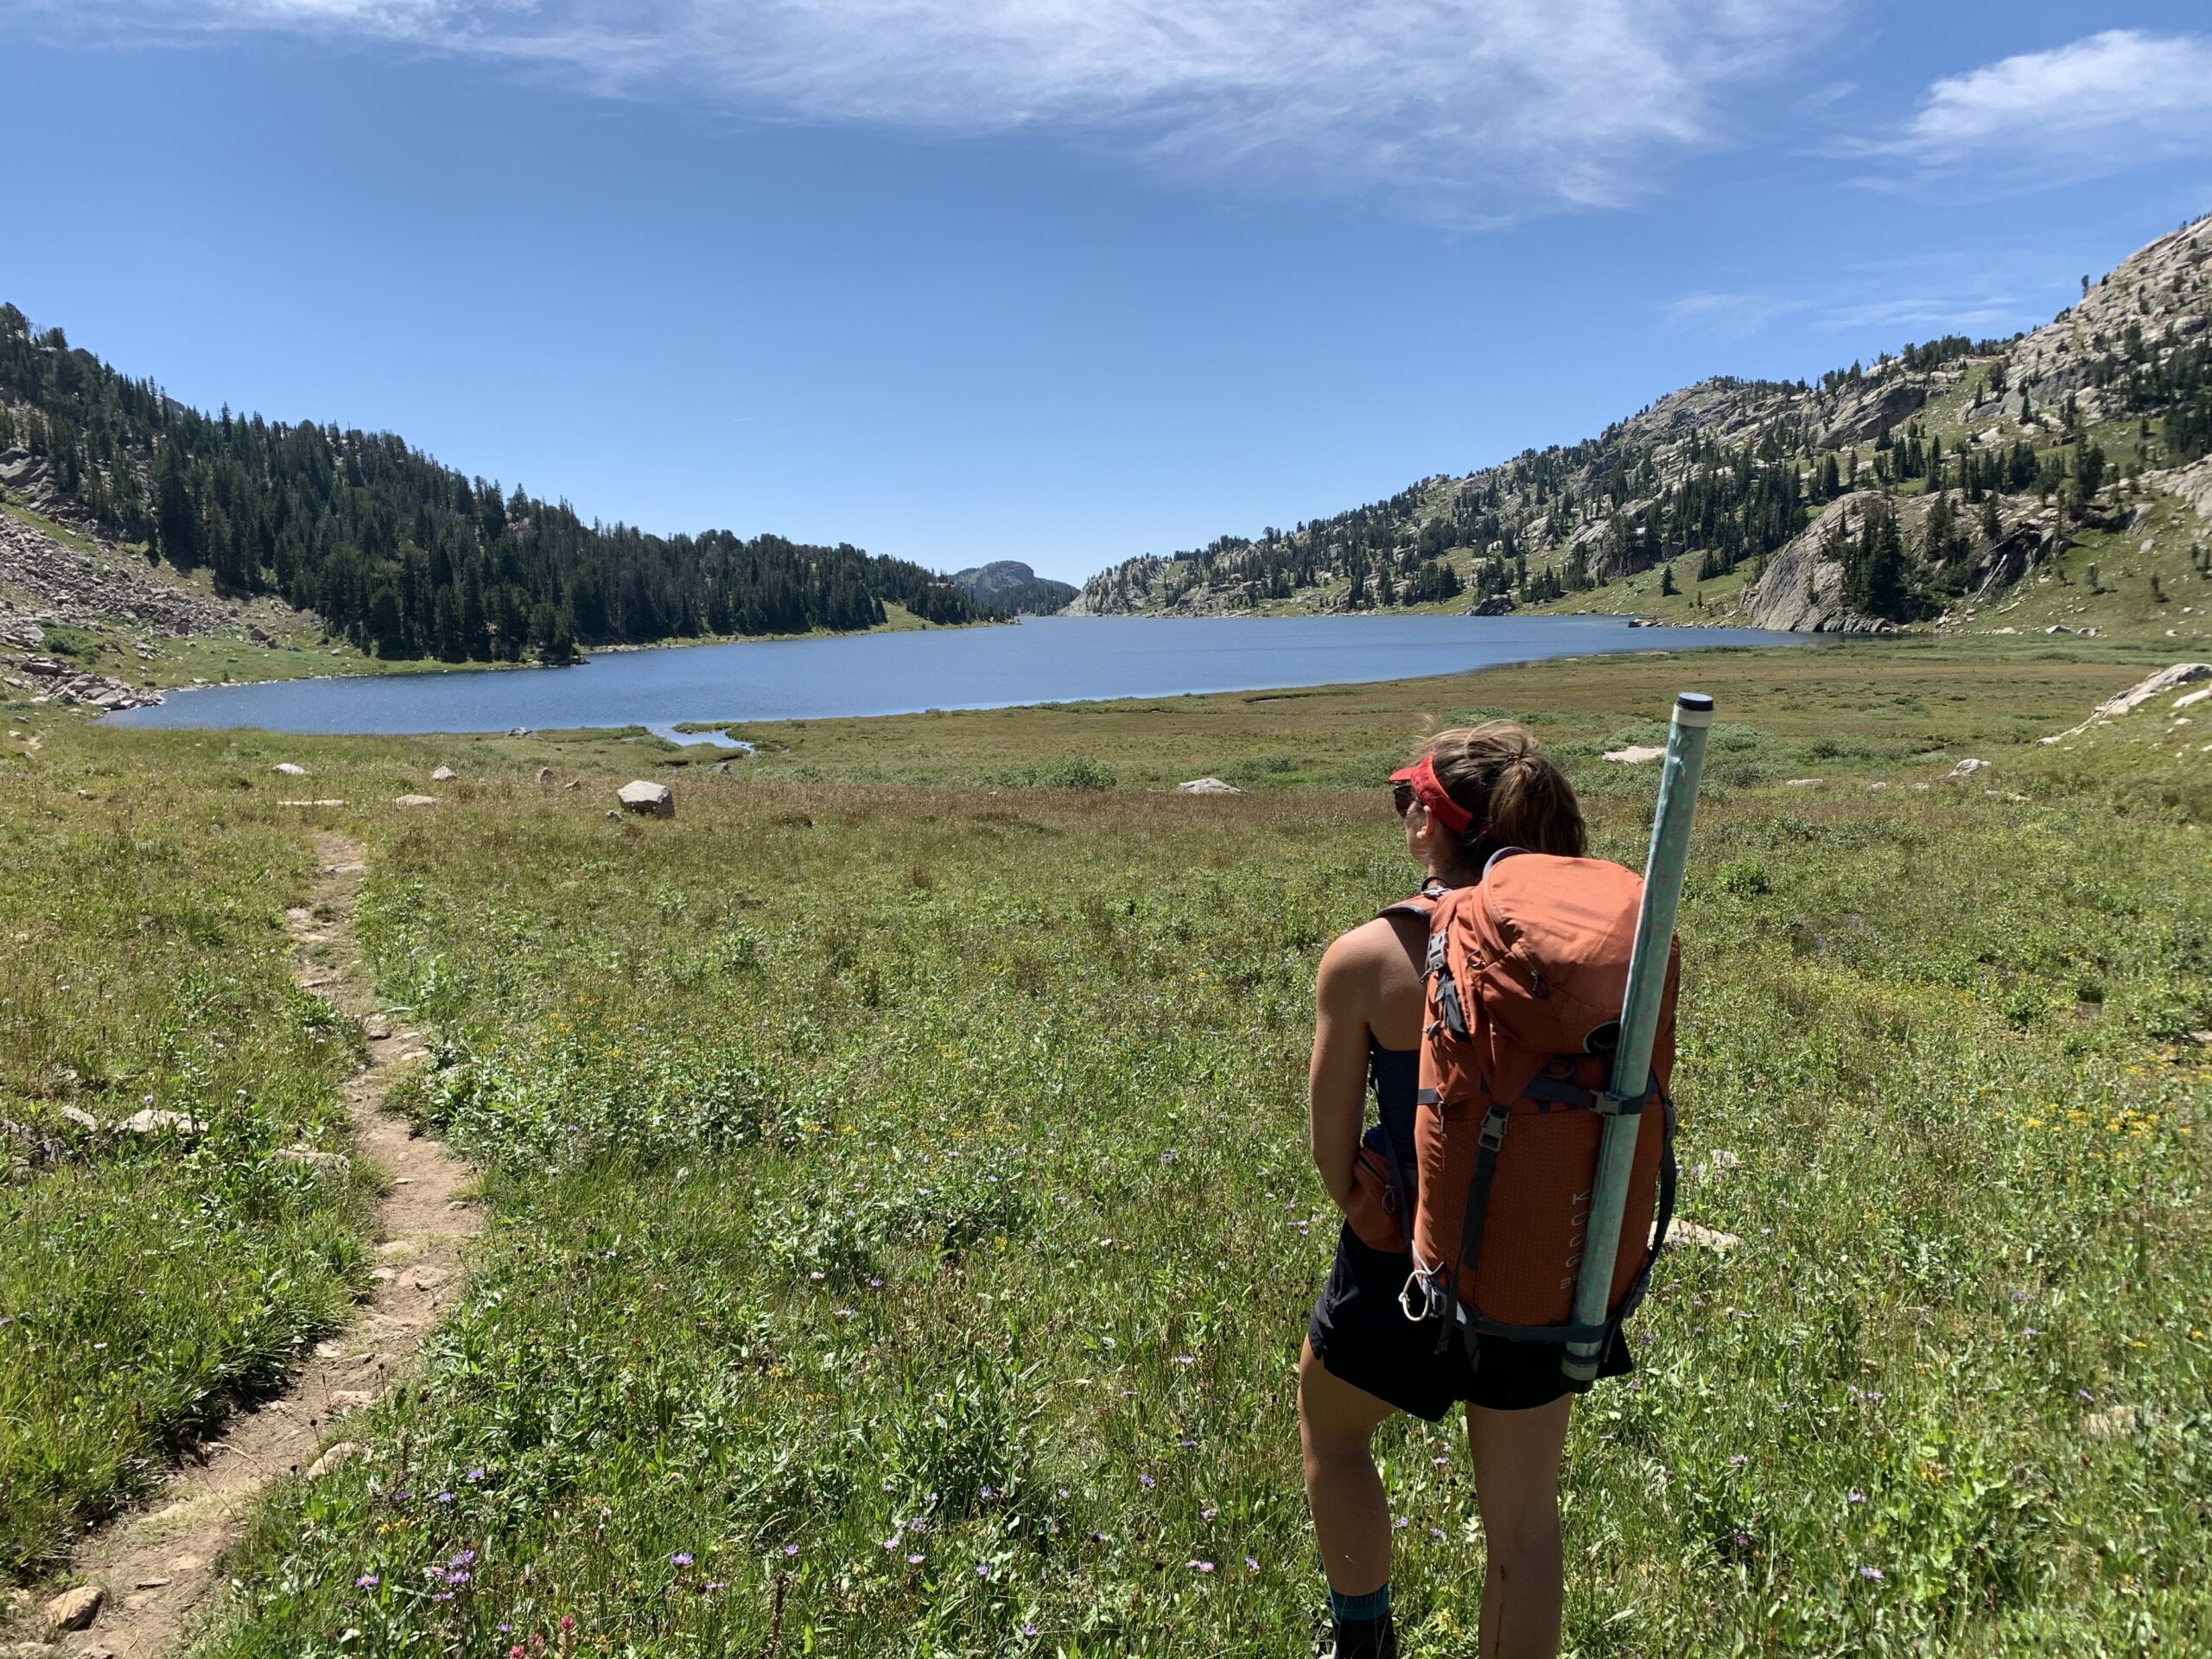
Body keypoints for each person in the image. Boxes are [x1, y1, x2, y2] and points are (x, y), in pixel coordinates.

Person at [1298, 722, 1630, 1659]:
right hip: (1543, 1264)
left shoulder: (1367, 958)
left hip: (1404, 1257)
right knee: (1522, 1527)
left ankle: (1364, 1644)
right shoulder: (1602, 959)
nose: (1403, 813)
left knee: (1332, 1433)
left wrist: (1377, 1211)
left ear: (1429, 827)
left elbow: (1331, 1156)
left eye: (1409, 799)